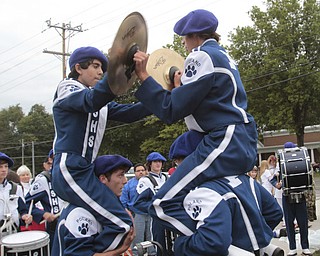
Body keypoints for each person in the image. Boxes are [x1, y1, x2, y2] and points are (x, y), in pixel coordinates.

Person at [133, 9, 258, 235]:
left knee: (162, 203)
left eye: (184, 38)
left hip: (225, 138)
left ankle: (209, 242)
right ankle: (251, 241)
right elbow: (206, 99)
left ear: (195, 36)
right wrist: (181, 88)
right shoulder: (222, 54)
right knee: (225, 195)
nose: (183, 44)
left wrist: (144, 76)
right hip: (241, 138)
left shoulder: (200, 55)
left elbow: (170, 110)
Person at [51, 46, 151, 251]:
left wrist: (160, 93)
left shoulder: (97, 100)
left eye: (103, 69)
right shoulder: (67, 88)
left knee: (122, 222)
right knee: (122, 224)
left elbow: (131, 112)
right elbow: (90, 101)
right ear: (78, 67)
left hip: (85, 170)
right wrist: (118, 69)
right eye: (96, 66)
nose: (100, 72)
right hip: (68, 168)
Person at [163, 131, 284, 256]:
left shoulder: (203, 191)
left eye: (179, 162)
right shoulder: (246, 179)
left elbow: (214, 242)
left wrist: (180, 244)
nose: (179, 169)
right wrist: (253, 237)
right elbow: (275, 212)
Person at [52, 154, 135, 256]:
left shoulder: (105, 208)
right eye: (120, 175)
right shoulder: (80, 213)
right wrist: (120, 249)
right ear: (103, 178)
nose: (125, 181)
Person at [25, 151, 64, 249]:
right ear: (50, 160)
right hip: (55, 227)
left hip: (73, 224)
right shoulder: (43, 179)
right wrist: (43, 214)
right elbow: (27, 203)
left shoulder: (72, 177)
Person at [133, 152, 168, 256]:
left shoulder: (166, 178)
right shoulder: (145, 180)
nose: (158, 164)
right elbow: (138, 203)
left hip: (169, 217)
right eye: (155, 161)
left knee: (170, 244)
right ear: (150, 164)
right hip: (156, 219)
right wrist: (154, 208)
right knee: (159, 246)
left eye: (160, 161)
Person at [280, 142, 312, 256]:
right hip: (287, 196)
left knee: (302, 222)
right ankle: (292, 248)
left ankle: (305, 247)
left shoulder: (301, 160)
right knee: (289, 223)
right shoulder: (282, 162)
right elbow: (276, 178)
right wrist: (277, 183)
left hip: (300, 194)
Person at [120, 163, 153, 256]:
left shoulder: (150, 182)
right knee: (138, 239)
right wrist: (128, 212)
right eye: (138, 171)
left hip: (150, 213)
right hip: (137, 214)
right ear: (135, 173)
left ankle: (152, 253)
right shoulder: (129, 184)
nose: (141, 172)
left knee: (151, 238)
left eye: (142, 170)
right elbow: (123, 200)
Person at [0, 152, 33, 238]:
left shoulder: (15, 188)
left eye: (6, 166)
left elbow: (22, 211)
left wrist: (25, 217)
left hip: (13, 233)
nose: (4, 170)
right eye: (0, 167)